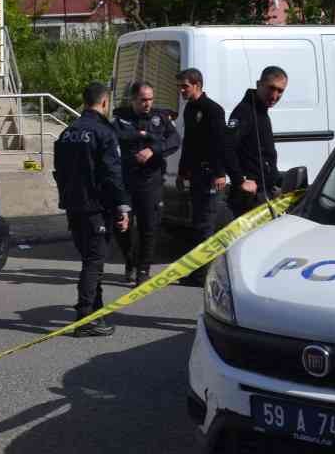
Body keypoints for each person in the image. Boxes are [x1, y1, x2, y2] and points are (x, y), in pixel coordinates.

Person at [53, 82, 130, 338]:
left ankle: (96, 311)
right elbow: (111, 175)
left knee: (90, 259)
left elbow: (58, 173)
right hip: (95, 207)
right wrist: (122, 207)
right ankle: (85, 318)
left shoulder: (67, 132)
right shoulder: (103, 132)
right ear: (105, 102)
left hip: (73, 206)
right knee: (94, 262)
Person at [112, 80, 181, 284]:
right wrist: (138, 135)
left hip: (151, 180)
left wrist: (153, 149)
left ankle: (143, 269)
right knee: (121, 226)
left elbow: (174, 141)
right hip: (126, 180)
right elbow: (115, 137)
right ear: (133, 99)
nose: (147, 104)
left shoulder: (161, 118)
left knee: (149, 226)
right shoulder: (120, 118)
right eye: (143, 100)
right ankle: (130, 260)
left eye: (150, 99)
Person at [177, 68, 233, 262]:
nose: (181, 91)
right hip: (196, 175)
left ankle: (204, 272)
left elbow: (220, 144)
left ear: (197, 85)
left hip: (210, 175)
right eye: (180, 87)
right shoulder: (190, 109)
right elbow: (189, 143)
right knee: (197, 222)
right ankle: (197, 269)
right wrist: (182, 172)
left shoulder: (213, 110)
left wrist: (220, 173)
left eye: (184, 87)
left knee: (206, 224)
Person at [228, 66, 287, 218]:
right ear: (259, 84)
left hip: (264, 192)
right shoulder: (245, 111)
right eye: (271, 88)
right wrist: (240, 180)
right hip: (250, 198)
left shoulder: (261, 111)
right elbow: (226, 148)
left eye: (280, 91)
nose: (275, 95)